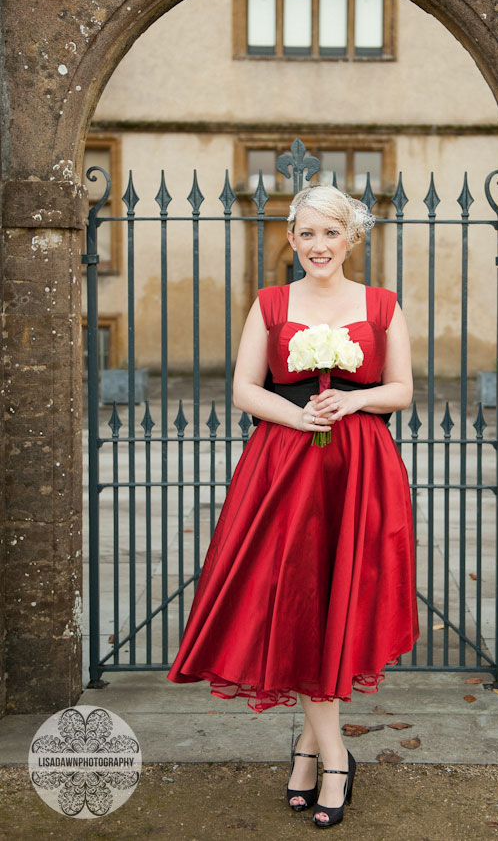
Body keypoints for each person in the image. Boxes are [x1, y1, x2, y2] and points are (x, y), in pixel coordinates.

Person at [167, 183, 419, 828]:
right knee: (299, 596)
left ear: (352, 239)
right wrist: (301, 417)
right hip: (284, 466)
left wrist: (355, 401)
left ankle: (309, 750)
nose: (318, 245)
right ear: (291, 239)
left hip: (360, 470)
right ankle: (333, 751)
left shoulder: (382, 304)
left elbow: (402, 389)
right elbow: (245, 389)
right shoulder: (272, 303)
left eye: (331, 232)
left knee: (341, 597)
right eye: (306, 233)